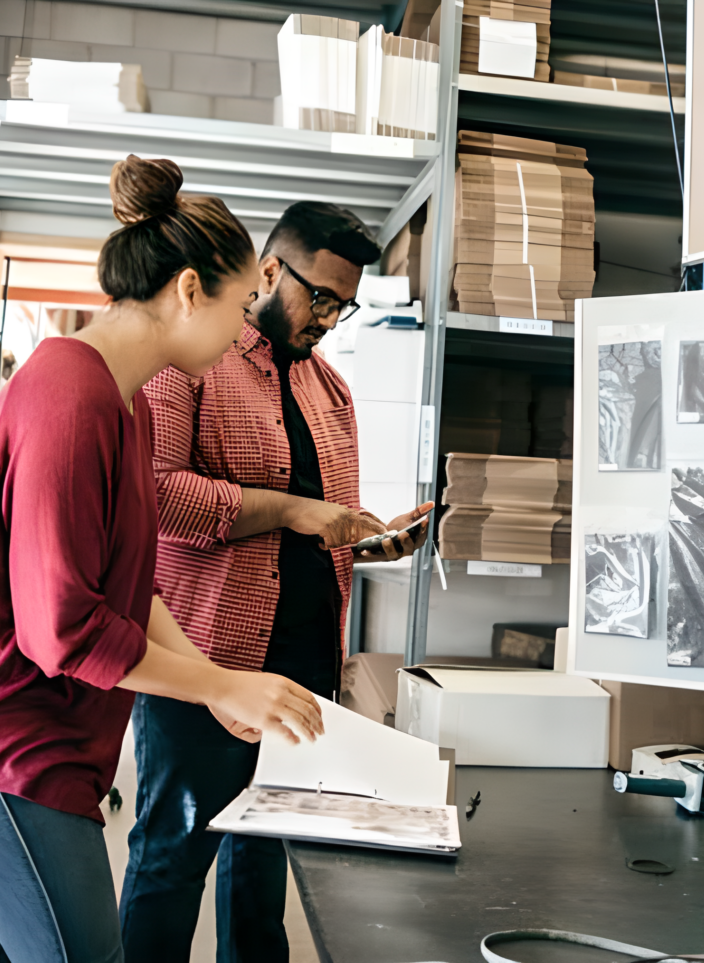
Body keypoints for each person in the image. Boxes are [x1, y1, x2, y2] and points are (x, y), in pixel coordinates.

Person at [0, 156, 325, 963]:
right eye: (242, 303)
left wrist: (211, 687)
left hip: (26, 721)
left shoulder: (121, 399)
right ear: (186, 292)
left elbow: (127, 590)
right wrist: (222, 681)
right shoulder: (70, 397)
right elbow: (61, 628)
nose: (248, 328)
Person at [120, 201, 432, 962]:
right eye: (318, 295)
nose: (328, 316)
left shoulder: (333, 392)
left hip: (304, 670)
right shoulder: (191, 364)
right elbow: (158, 496)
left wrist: (370, 545)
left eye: (343, 302)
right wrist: (296, 510)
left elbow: (305, 539)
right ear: (267, 271)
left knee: (263, 865)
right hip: (204, 663)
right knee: (173, 854)